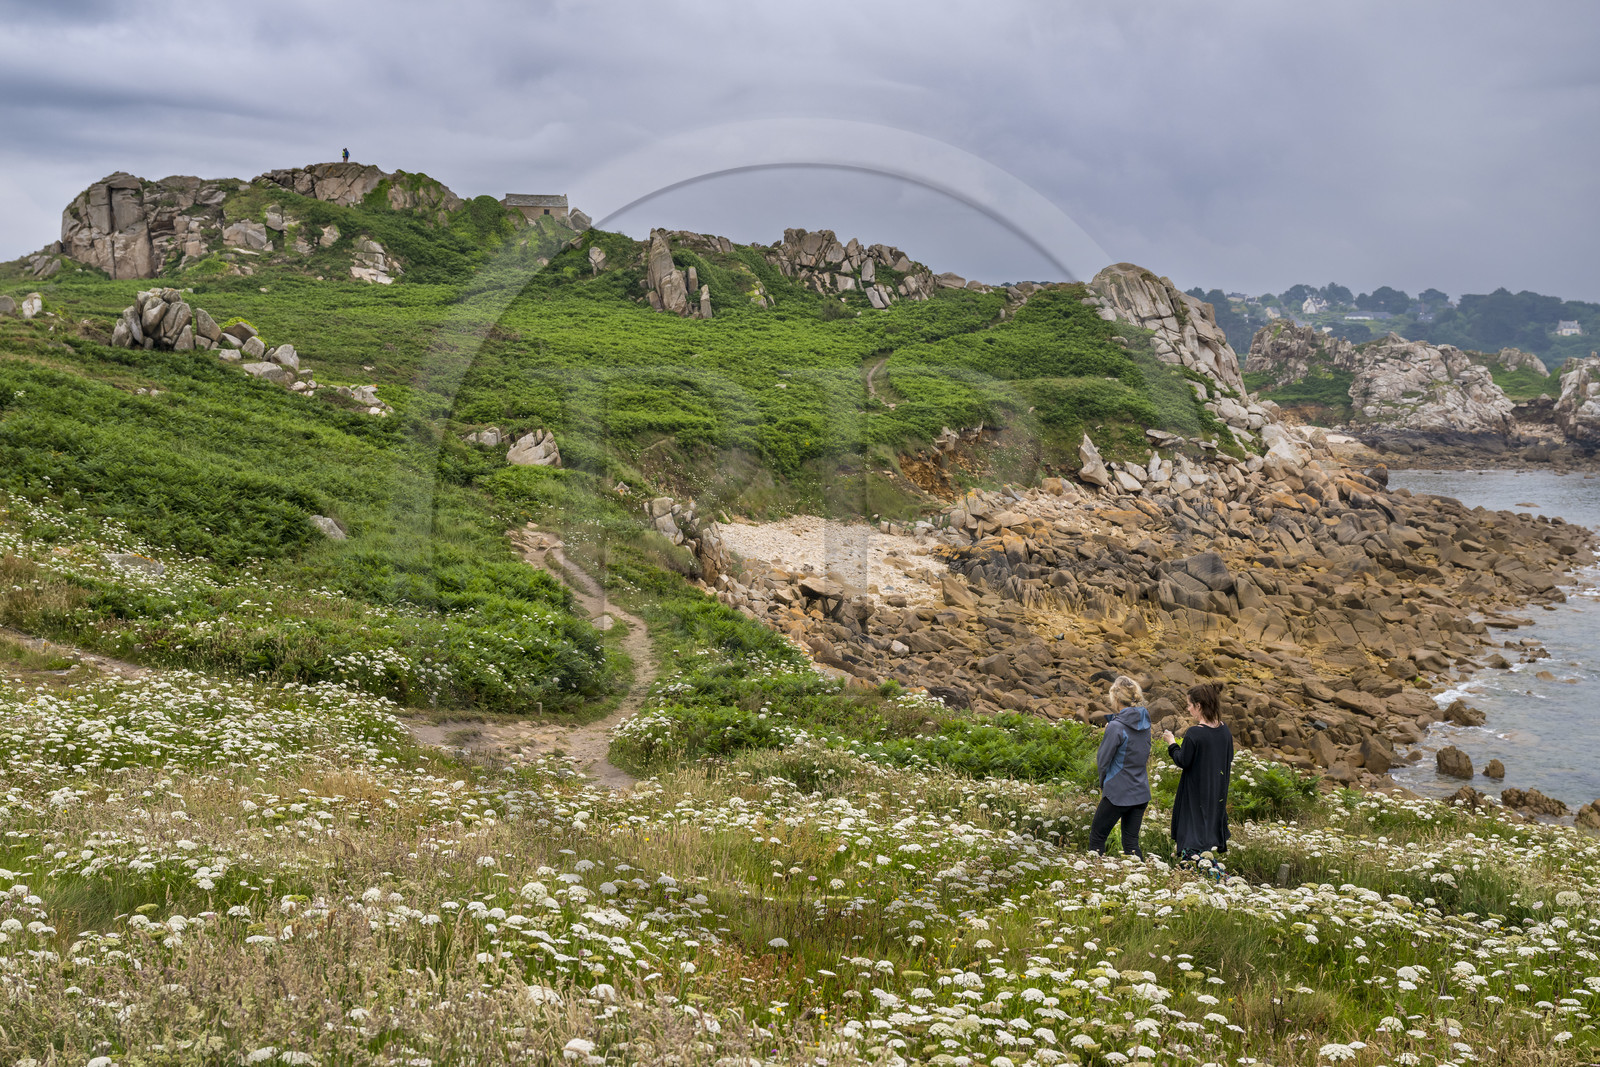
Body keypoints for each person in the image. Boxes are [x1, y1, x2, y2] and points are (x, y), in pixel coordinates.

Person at [1162, 682, 1235, 860]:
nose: (1188, 709)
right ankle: (1206, 871)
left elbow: (1182, 760)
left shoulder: (1195, 733)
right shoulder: (1224, 730)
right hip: (1216, 792)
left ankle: (1209, 874)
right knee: (1205, 840)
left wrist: (1172, 743)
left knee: (1191, 840)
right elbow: (1229, 757)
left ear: (1199, 706)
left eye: (1189, 705)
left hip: (1195, 794)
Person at [1089, 675, 1151, 857]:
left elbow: (1103, 761)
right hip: (1140, 792)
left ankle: (1094, 877)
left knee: (1097, 839)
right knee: (1131, 844)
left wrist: (1104, 785)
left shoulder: (1115, 727)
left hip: (1117, 792)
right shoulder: (1145, 722)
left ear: (1115, 698)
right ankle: (1141, 880)